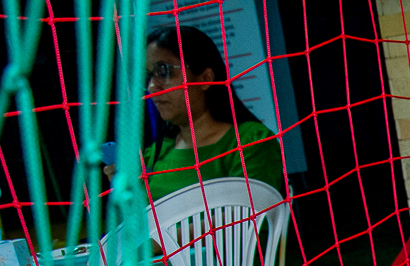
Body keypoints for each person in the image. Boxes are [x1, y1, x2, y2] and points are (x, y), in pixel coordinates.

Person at [105, 25, 284, 201]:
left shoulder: (250, 142)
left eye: (163, 72)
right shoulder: (155, 154)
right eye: (148, 76)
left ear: (205, 78)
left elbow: (252, 215)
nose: (152, 87)